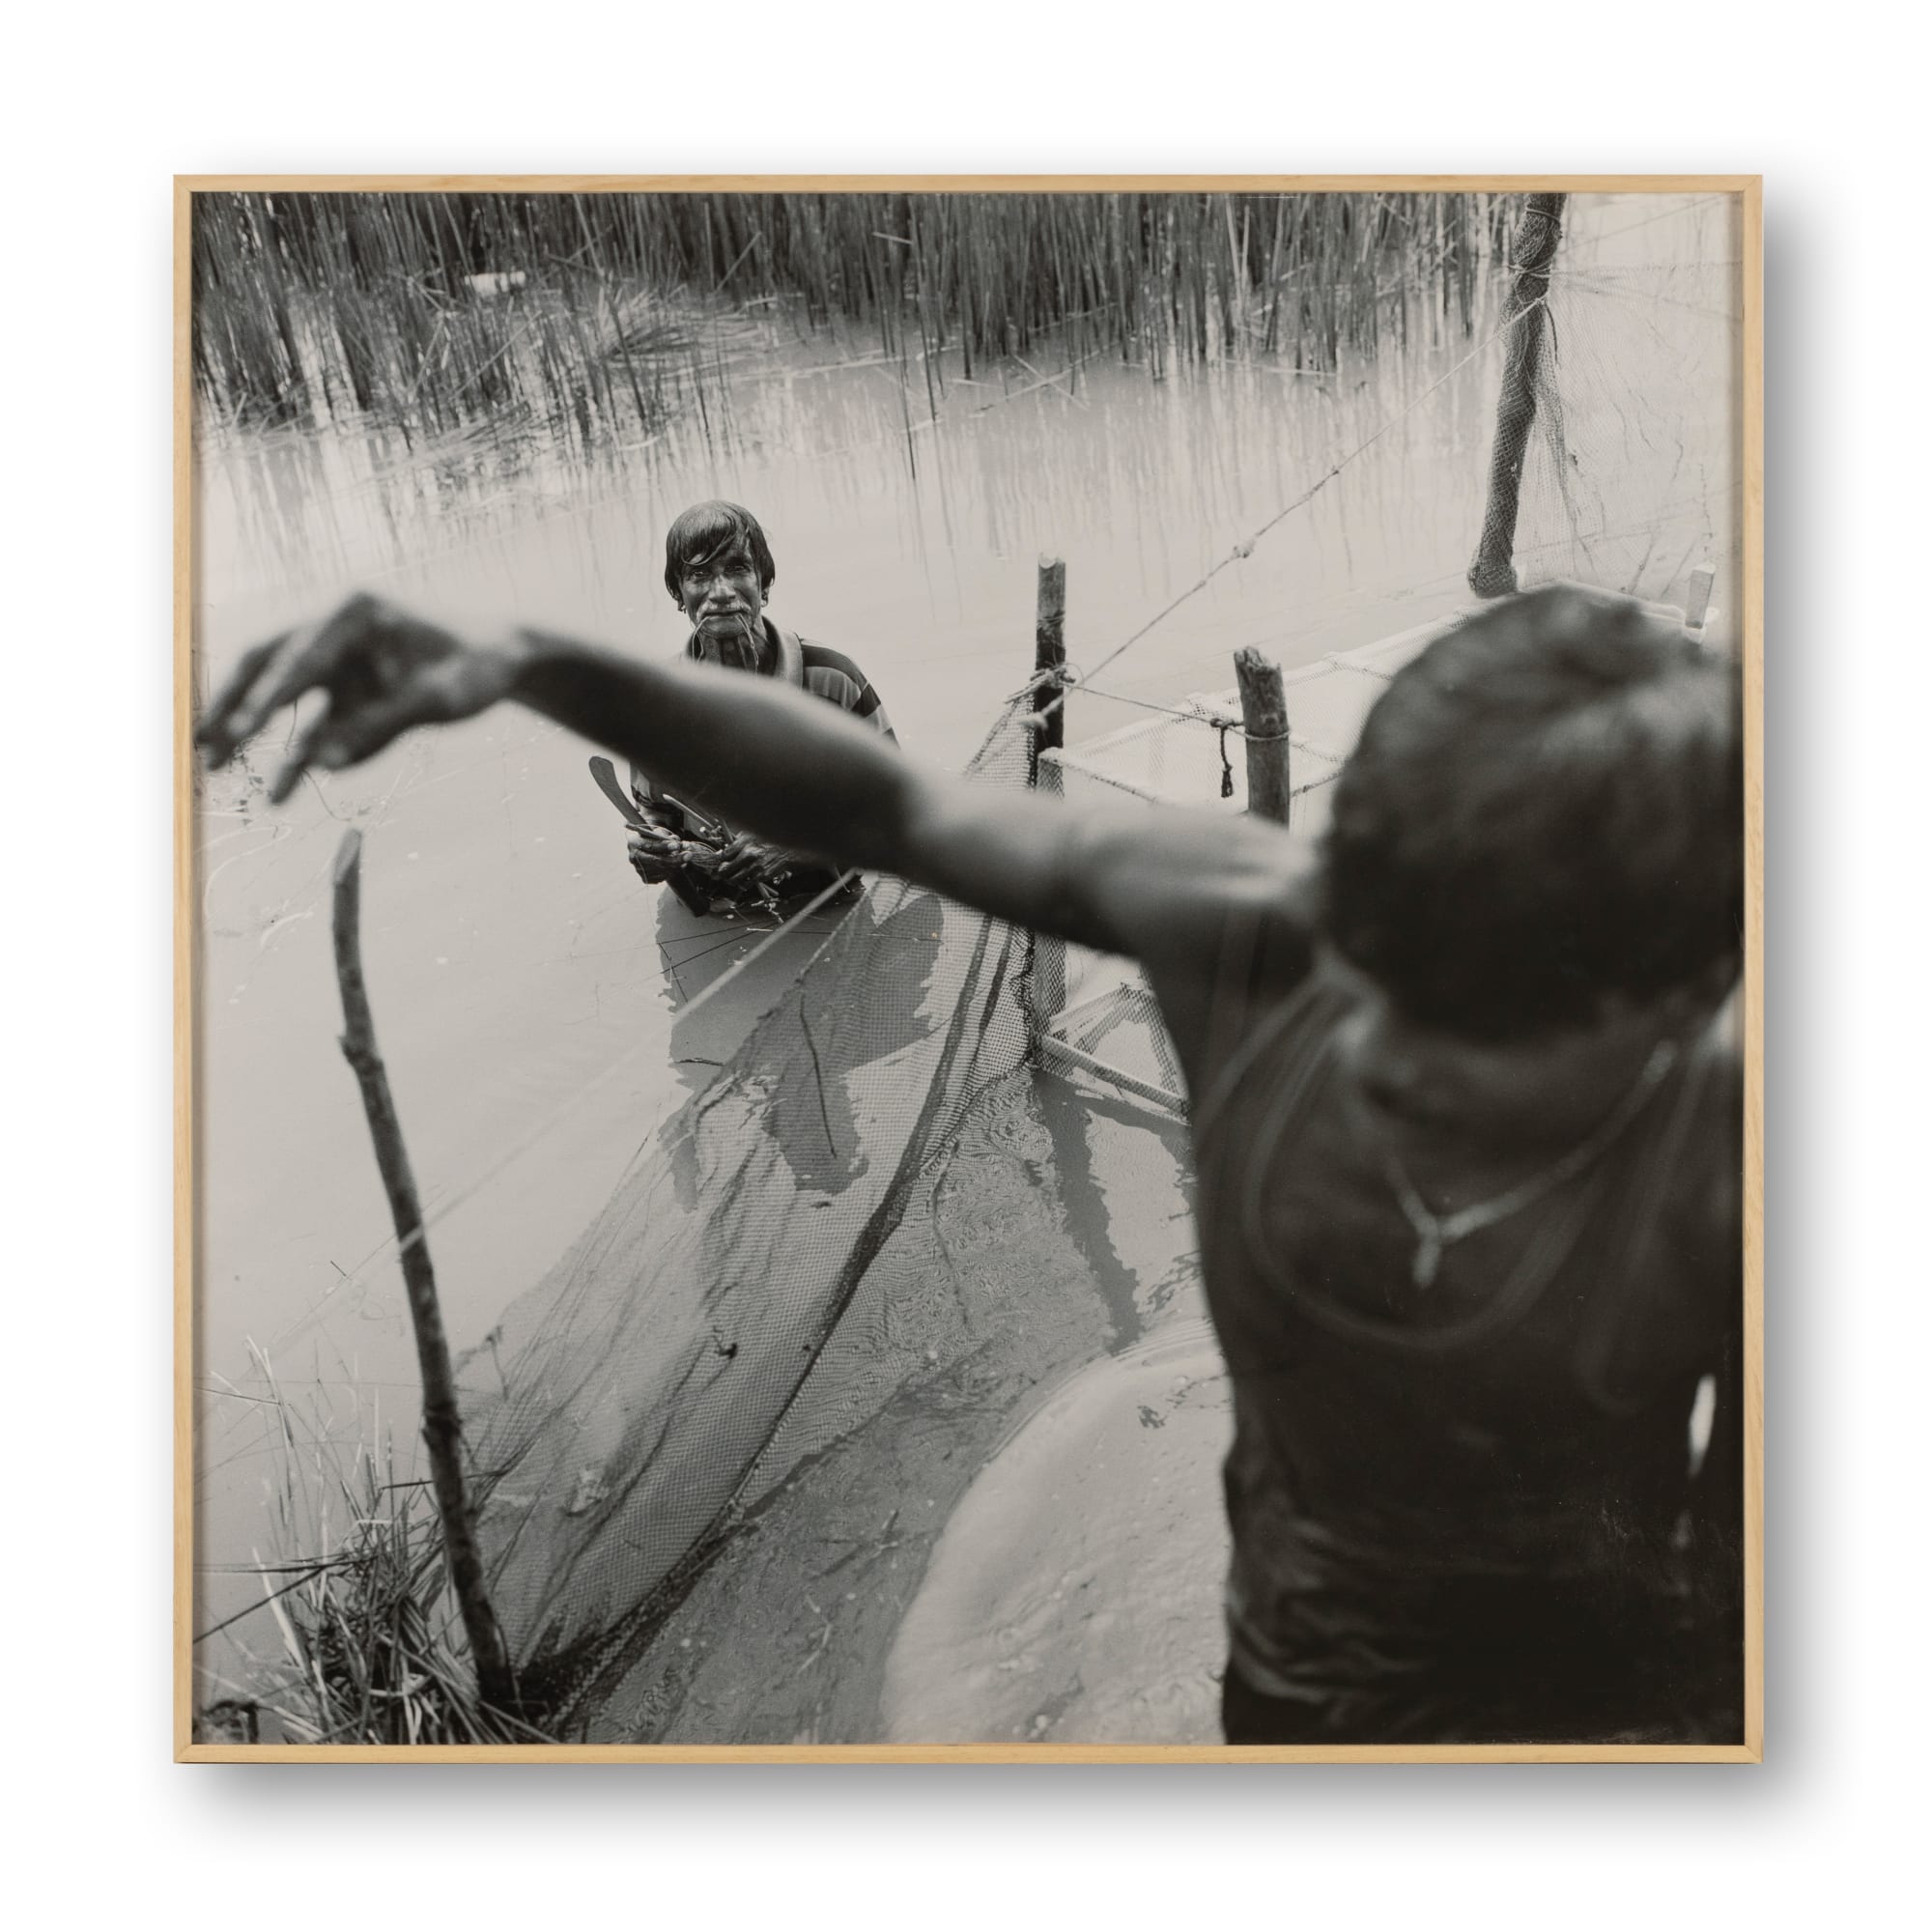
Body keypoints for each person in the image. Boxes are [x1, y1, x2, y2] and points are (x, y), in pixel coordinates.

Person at [197, 579, 1745, 1746]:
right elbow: (884, 804)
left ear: (1673, 1005)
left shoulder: (1729, 1151)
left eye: (1475, 1044)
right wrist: (538, 661)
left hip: (1602, 1685)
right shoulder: (1249, 930)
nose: (1387, 1050)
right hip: (1310, 1650)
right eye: (1374, 963)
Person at [629, 499, 895, 911]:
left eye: (737, 569)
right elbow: (652, 817)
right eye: (699, 575)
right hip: (717, 915)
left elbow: (899, 812)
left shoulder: (833, 680)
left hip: (829, 904)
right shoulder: (655, 709)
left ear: (764, 585)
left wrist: (795, 846)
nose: (720, 592)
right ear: (678, 594)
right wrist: (650, 854)